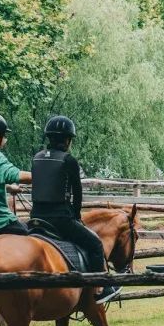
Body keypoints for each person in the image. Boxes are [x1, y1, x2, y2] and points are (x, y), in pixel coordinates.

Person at [30, 115, 120, 304]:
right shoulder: (69, 160)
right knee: (95, 244)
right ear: (68, 140)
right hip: (60, 220)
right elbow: (77, 193)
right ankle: (99, 287)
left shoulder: (36, 158)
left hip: (35, 219)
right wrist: (76, 216)